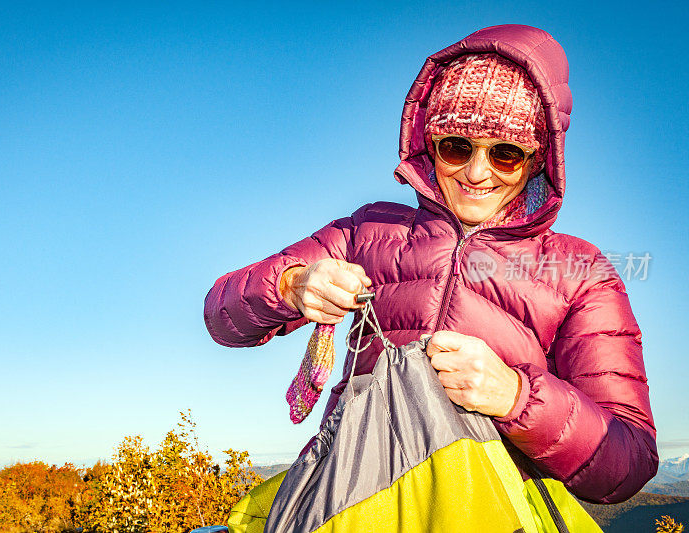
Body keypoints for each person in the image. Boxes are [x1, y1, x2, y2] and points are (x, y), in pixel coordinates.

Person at [203, 24, 657, 504]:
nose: (477, 172)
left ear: (537, 159)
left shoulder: (579, 269)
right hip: (351, 499)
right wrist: (291, 285)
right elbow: (221, 315)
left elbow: (627, 460)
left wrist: (516, 397)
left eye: (505, 153)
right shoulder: (367, 231)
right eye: (457, 146)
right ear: (430, 143)